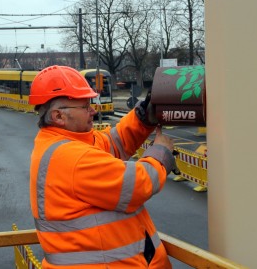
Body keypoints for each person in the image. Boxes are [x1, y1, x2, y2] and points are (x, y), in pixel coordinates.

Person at [28, 65, 176, 268]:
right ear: (58, 116)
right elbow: (137, 184)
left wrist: (142, 118)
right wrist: (161, 153)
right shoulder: (72, 157)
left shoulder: (65, 143)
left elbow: (112, 143)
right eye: (85, 106)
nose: (93, 110)